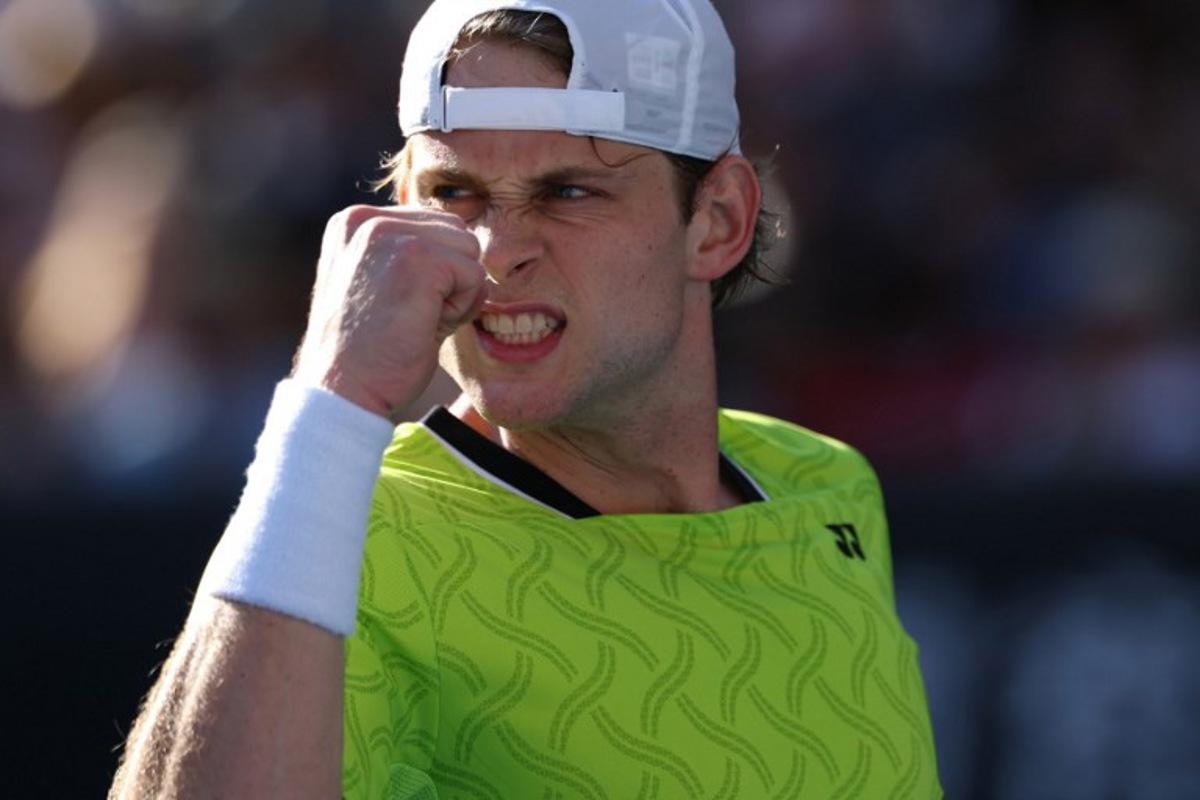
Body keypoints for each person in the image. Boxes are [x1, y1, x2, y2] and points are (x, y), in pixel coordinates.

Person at [109, 1, 942, 797]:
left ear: (718, 221)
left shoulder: (827, 485)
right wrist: (333, 402)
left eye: (569, 193)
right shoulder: (354, 537)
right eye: (454, 193)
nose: (496, 253)